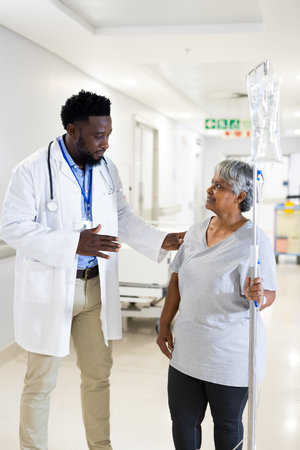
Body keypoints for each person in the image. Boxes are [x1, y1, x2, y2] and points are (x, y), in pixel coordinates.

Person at [0, 90, 185, 450]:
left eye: (109, 134)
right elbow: (12, 227)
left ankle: (101, 446)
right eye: (99, 136)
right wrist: (73, 243)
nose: (106, 143)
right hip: (52, 285)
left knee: (99, 375)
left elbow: (121, 217)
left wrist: (161, 239)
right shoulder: (32, 169)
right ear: (73, 130)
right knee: (40, 382)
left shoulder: (106, 169)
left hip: (95, 288)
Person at [157, 160, 277, 450]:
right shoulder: (196, 231)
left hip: (229, 354)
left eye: (219, 186)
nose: (210, 190)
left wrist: (257, 296)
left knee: (226, 427)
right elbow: (175, 280)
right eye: (212, 183)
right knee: (183, 423)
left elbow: (269, 294)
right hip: (188, 349)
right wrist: (164, 326)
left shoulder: (254, 239)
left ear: (240, 197)